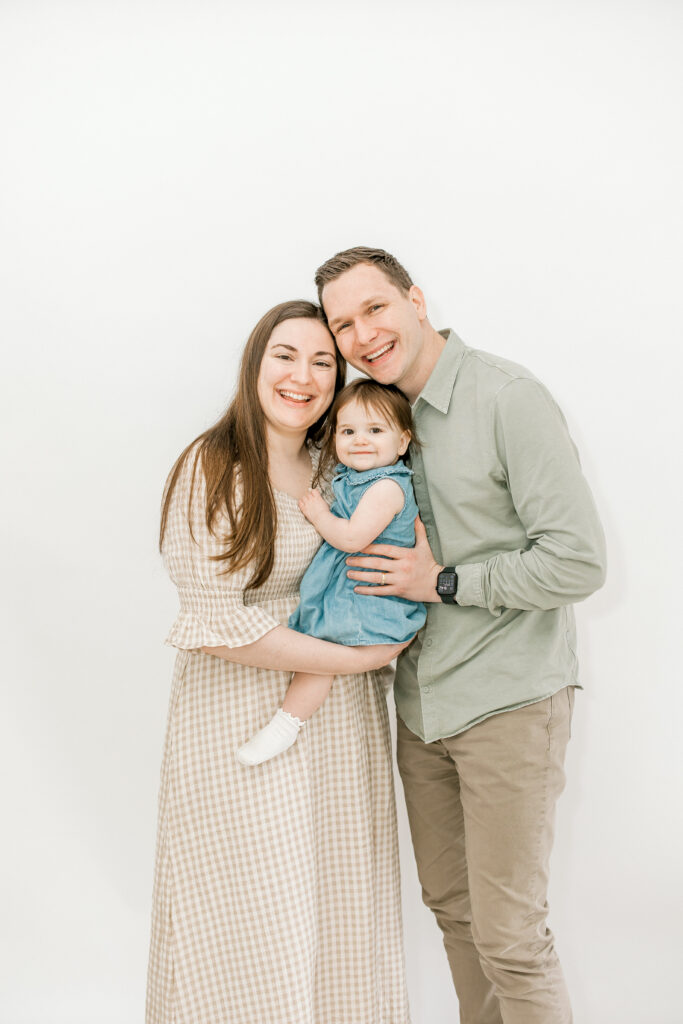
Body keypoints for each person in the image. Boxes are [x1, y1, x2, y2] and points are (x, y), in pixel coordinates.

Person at [314, 247, 607, 1024]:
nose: (361, 334)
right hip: (418, 707)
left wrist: (443, 582)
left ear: (414, 299)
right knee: (453, 913)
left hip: (508, 700)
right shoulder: (370, 416)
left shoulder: (507, 399)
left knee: (510, 935)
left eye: (373, 308)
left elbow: (577, 562)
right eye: (342, 324)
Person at [146, 300, 411, 1024]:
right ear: (254, 365)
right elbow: (211, 623)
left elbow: (397, 547)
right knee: (244, 912)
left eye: (323, 362)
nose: (304, 376)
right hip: (238, 714)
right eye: (285, 357)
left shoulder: (341, 463)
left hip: (336, 726)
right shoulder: (216, 464)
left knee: (337, 912)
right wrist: (352, 661)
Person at [237, 377, 427, 766]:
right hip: (349, 590)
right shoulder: (357, 477)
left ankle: (287, 723)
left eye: (375, 430)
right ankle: (288, 720)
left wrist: (319, 514)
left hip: (363, 598)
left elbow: (352, 538)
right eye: (348, 430)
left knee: (321, 653)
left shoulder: (387, 487)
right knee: (318, 654)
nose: (360, 440)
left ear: (403, 442)